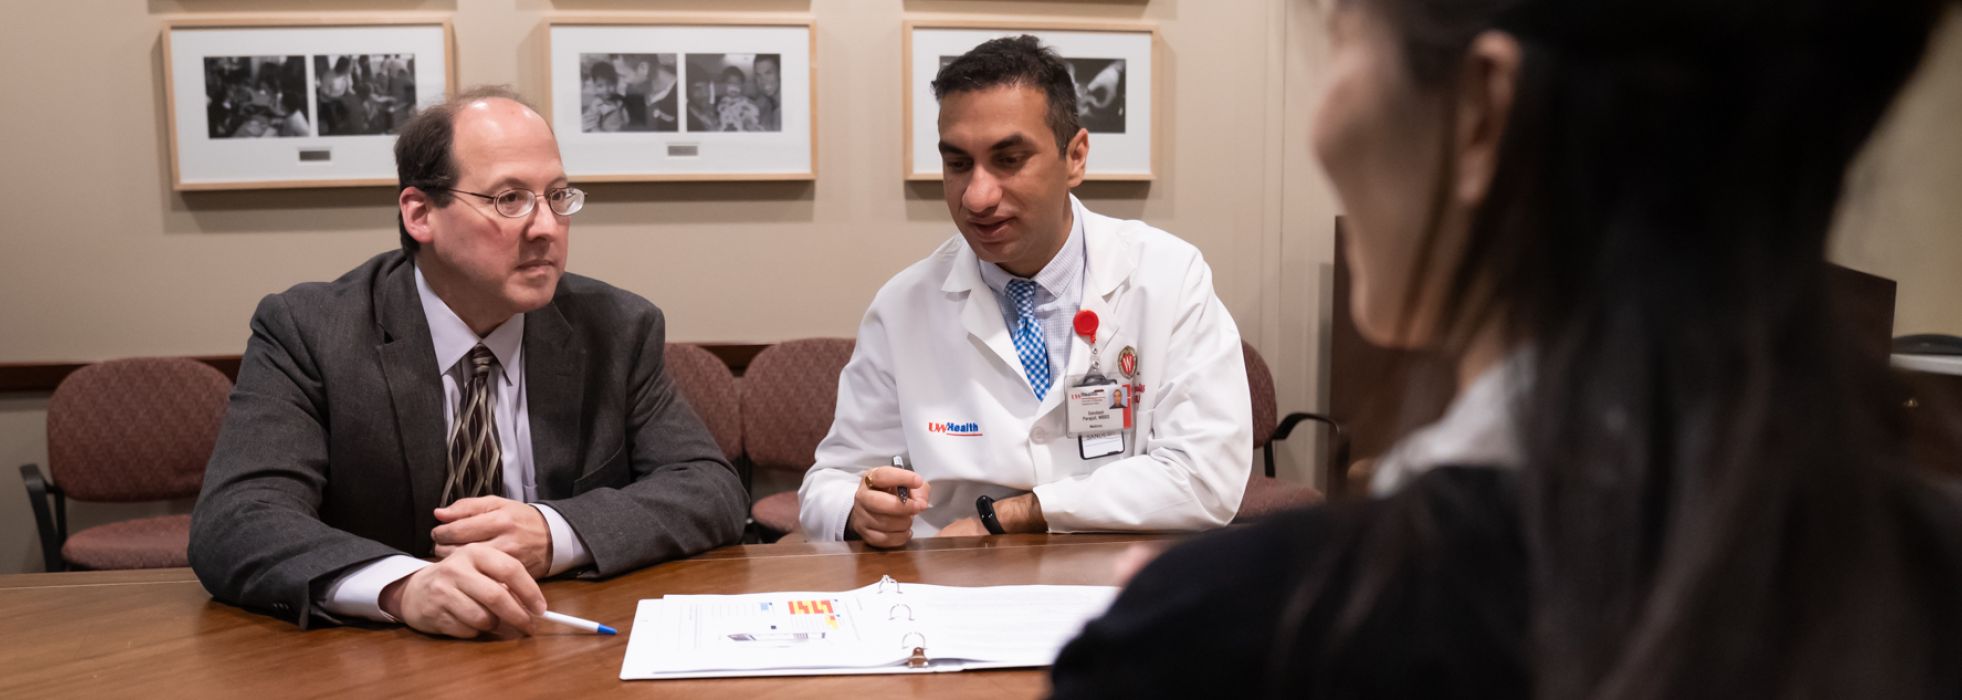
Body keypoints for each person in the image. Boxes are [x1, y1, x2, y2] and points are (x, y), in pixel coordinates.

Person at [1050, 0, 1962, 697]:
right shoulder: (1929, 582)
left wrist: (1193, 620)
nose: (1322, 119)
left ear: (1485, 111)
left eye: (1339, 40)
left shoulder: (1245, 641)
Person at [189, 87, 748, 639]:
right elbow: (238, 518)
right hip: (378, 658)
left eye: (558, 196)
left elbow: (709, 489)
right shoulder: (310, 331)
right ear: (420, 213)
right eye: (510, 199)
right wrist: (402, 587)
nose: (546, 226)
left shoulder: (617, 327)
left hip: (562, 644)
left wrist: (555, 532)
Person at [796, 35, 1251, 546]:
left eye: (1008, 160)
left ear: (1075, 157)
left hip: (1117, 579)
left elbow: (1206, 477)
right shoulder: (904, 306)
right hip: (957, 589)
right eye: (958, 163)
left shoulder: (1168, 276)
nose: (977, 196)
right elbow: (828, 484)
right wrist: (863, 510)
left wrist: (1016, 514)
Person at [751, 54, 782, 131]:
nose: (763, 81)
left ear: (780, 73)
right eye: (758, 75)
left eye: (768, 73)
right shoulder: (762, 104)